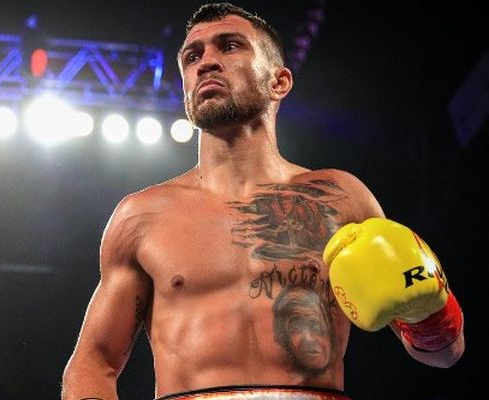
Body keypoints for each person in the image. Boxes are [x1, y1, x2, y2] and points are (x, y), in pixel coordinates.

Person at [60, 3, 465, 400]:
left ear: (279, 82)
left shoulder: (341, 198)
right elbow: (93, 363)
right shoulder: (142, 216)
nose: (206, 63)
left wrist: (428, 312)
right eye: (192, 56)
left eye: (229, 46)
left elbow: (445, 354)